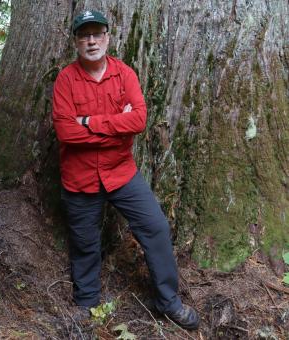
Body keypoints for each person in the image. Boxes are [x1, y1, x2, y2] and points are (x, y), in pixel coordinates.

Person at [51, 10, 200, 330]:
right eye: (84, 35)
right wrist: (116, 126)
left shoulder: (125, 75)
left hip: (121, 172)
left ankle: (168, 300)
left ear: (107, 36)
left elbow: (139, 120)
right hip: (80, 178)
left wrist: (89, 123)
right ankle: (87, 304)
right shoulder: (66, 79)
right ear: (76, 41)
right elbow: (66, 133)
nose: (91, 40)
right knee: (85, 243)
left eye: (97, 33)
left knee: (156, 228)